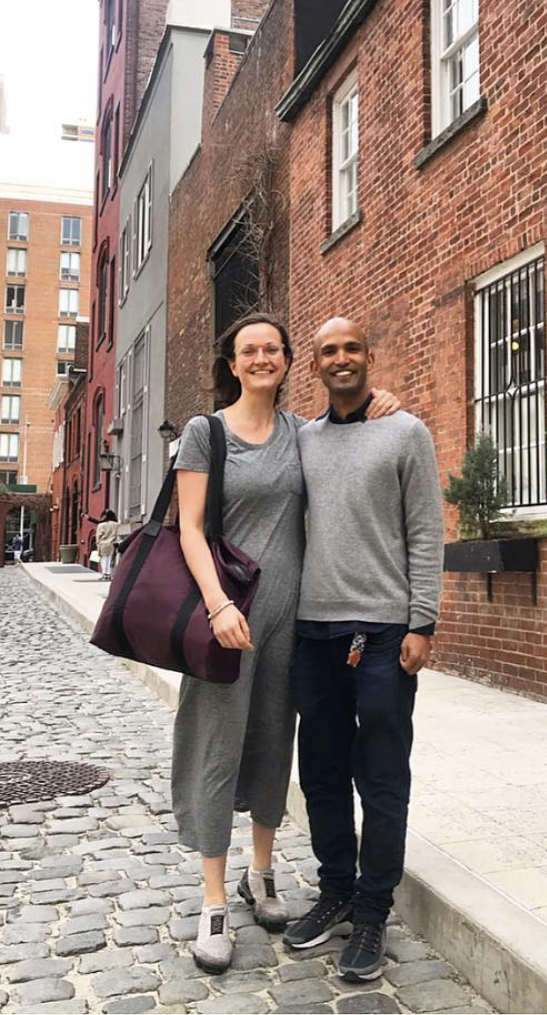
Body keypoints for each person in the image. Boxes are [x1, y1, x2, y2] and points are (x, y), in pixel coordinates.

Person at [171, 312, 399, 975]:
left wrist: (382, 402)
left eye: (272, 348)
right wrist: (217, 604)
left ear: (287, 360)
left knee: (275, 744)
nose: (262, 358)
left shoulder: (302, 433)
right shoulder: (206, 432)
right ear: (233, 364)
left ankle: (261, 873)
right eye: (249, 350)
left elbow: (350, 431)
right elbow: (189, 529)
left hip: (290, 620)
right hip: (227, 619)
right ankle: (214, 901)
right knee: (216, 748)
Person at [284, 317, 444, 984]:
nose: (342, 358)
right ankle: (337, 891)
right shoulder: (303, 440)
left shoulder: (406, 432)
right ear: (315, 366)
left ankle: (375, 909)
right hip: (313, 631)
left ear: (369, 357)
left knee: (380, 775)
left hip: (382, 632)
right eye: (329, 351)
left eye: (352, 348)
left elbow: (426, 529)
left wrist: (422, 621)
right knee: (320, 773)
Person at [95, 510, 119, 581]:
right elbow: (118, 534)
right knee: (110, 559)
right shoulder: (116, 524)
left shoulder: (101, 525)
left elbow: (98, 536)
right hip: (112, 544)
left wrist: (97, 544)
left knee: (103, 559)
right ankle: (109, 574)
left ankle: (104, 574)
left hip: (103, 544)